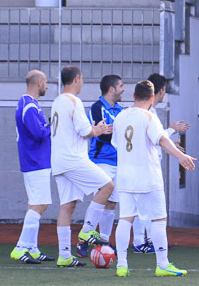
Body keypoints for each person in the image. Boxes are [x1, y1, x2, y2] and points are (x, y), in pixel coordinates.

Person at [111, 80, 197, 277]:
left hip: (125, 178)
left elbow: (117, 144)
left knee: (125, 219)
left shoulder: (120, 117)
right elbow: (162, 140)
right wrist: (181, 156)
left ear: (133, 96)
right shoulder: (149, 117)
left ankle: (121, 265)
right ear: (152, 98)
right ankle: (162, 264)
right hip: (148, 177)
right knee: (159, 219)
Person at [50, 65, 113, 267]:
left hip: (58, 160)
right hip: (73, 158)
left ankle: (64, 255)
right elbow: (85, 131)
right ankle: (87, 230)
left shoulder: (57, 101)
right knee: (108, 186)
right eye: (82, 79)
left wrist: (95, 129)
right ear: (77, 79)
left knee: (67, 206)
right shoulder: (74, 101)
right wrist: (99, 129)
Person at [129, 73, 190, 253]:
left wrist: (170, 138)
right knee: (145, 207)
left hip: (144, 164)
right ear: (160, 91)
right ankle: (140, 242)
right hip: (144, 166)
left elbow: (156, 138)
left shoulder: (146, 112)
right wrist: (172, 133)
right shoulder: (147, 113)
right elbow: (157, 139)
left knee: (144, 207)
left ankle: (146, 241)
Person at [74, 74, 124, 259]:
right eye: (121, 86)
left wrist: (113, 131)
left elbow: (119, 132)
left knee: (112, 202)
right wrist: (112, 132)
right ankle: (83, 239)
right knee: (102, 197)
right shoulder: (97, 107)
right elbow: (101, 134)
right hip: (101, 159)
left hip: (119, 161)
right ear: (111, 89)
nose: (123, 89)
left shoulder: (121, 109)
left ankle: (103, 242)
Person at [11, 70, 55, 265]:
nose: (47, 86)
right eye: (45, 83)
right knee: (39, 204)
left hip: (36, 161)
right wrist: (52, 127)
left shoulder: (29, 104)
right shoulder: (29, 106)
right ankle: (21, 247)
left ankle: (32, 248)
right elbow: (38, 134)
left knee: (36, 204)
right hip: (36, 161)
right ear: (38, 83)